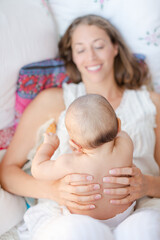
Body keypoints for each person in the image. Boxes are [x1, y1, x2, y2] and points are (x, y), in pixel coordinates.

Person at [0, 14, 160, 240]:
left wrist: (147, 185)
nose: (91, 56)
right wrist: (55, 191)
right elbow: (7, 173)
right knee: (77, 233)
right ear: (72, 56)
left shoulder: (152, 103)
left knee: (146, 230)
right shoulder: (51, 101)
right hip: (67, 214)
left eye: (99, 45)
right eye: (81, 49)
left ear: (115, 48)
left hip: (140, 208)